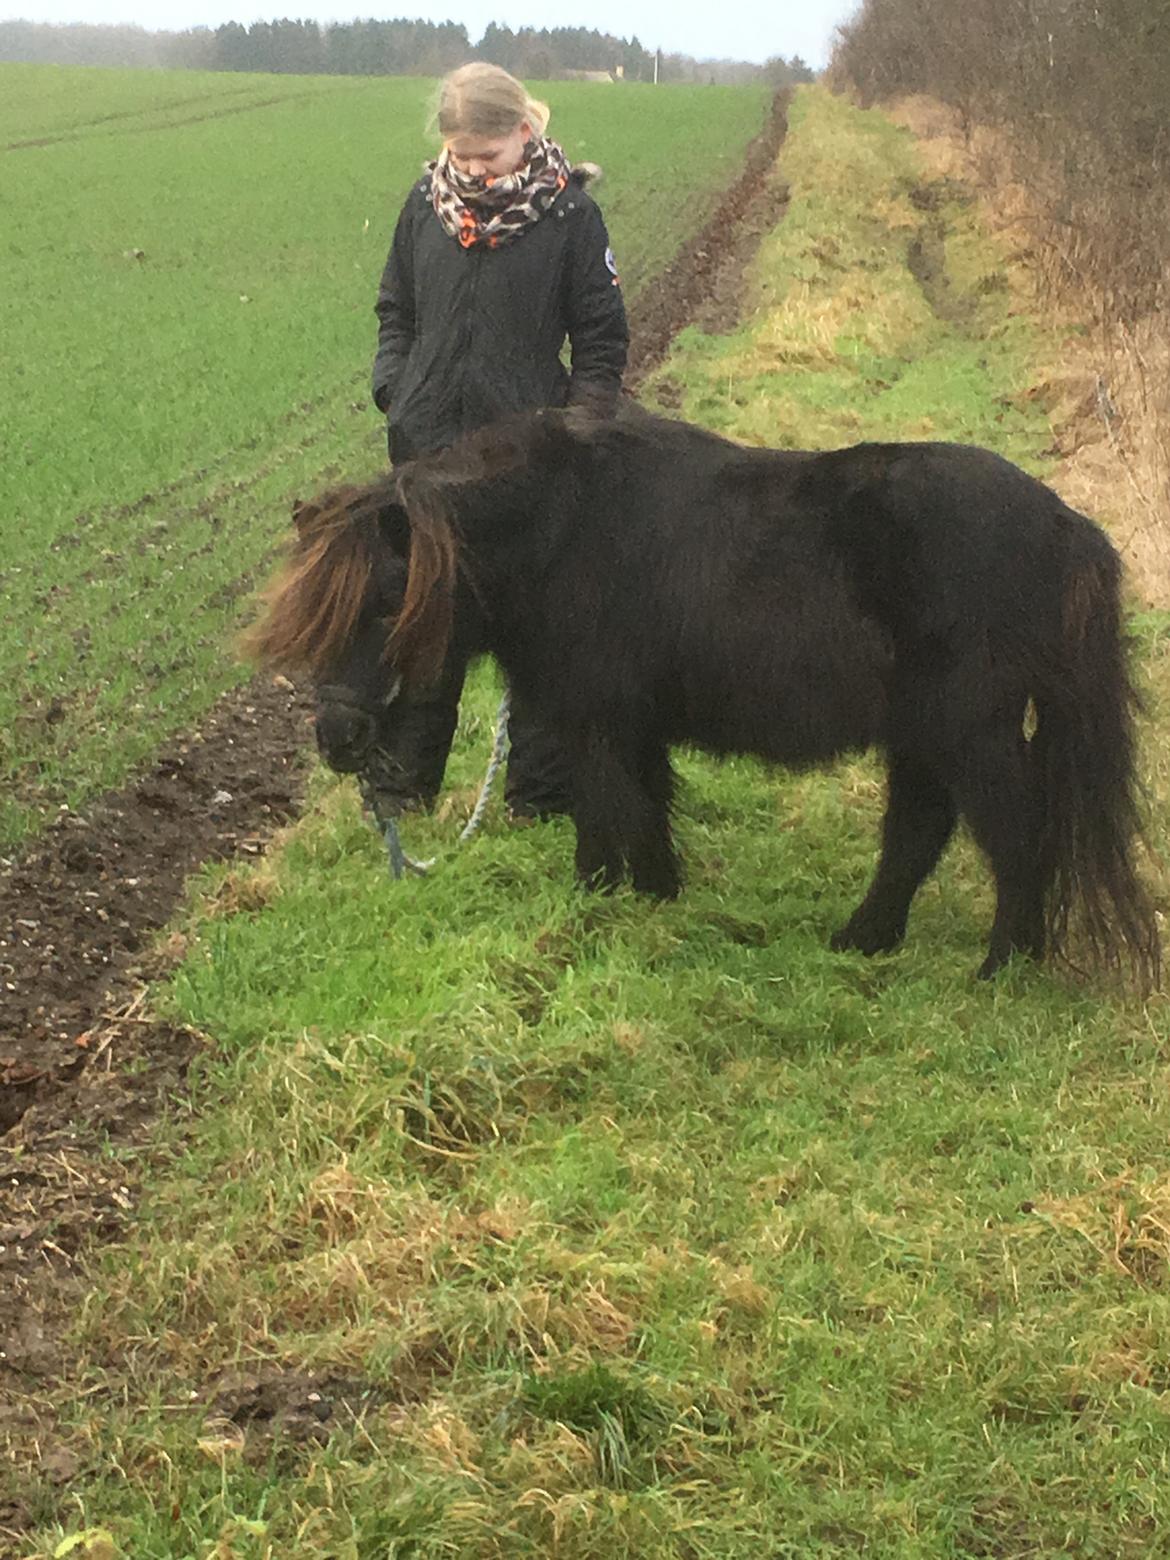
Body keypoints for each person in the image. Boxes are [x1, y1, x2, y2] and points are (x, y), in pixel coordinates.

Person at [368, 61, 629, 821]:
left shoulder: (572, 217)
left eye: (488, 154)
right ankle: (398, 791)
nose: (474, 170)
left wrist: (575, 435)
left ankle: (539, 802)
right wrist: (397, 391)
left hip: (527, 469)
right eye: (462, 156)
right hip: (427, 461)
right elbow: (396, 310)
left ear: (524, 130)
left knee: (537, 634)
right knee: (426, 627)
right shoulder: (424, 205)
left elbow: (602, 344)